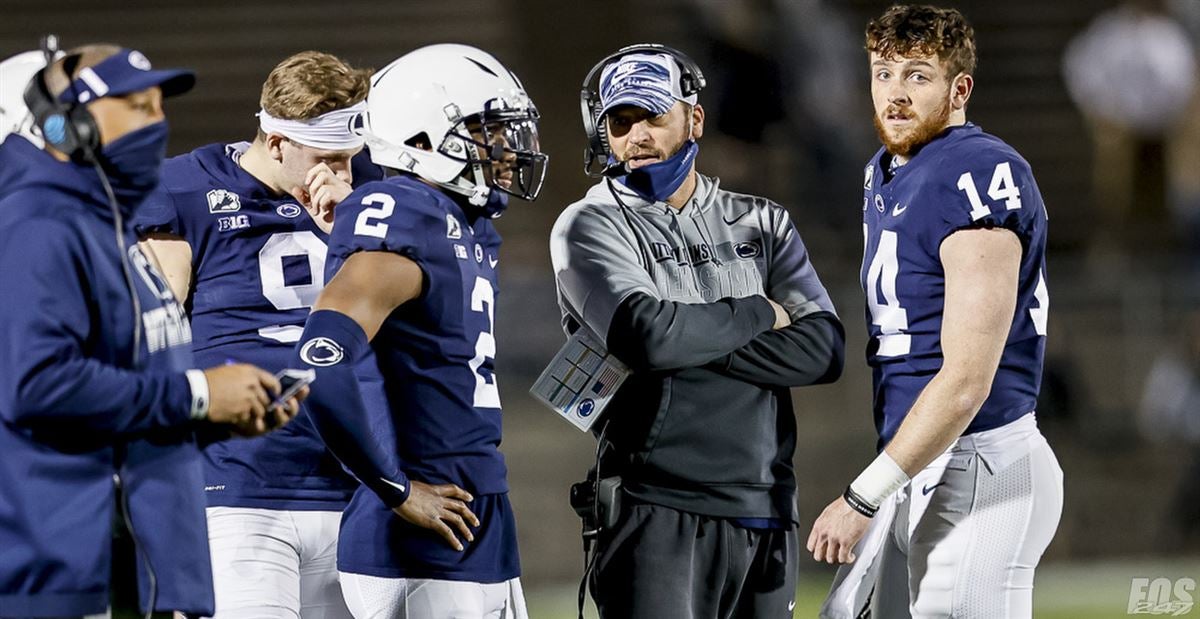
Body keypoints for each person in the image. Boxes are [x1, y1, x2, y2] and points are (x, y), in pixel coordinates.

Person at [0, 44, 301, 618]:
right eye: (135, 106)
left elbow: (110, 408)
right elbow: (37, 386)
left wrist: (211, 419)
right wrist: (200, 394)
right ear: (62, 126)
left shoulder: (100, 226)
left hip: (129, 563)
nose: (158, 122)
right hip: (63, 571)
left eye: (158, 104)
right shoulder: (35, 225)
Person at [550, 44, 844, 619]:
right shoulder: (587, 223)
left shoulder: (763, 219)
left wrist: (684, 334)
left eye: (653, 117)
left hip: (765, 502)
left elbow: (823, 350)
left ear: (694, 118)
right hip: (650, 506)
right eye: (621, 121)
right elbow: (647, 338)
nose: (637, 136)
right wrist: (759, 311)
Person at [807, 6, 1064, 618]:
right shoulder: (886, 172)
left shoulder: (978, 168)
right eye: (883, 73)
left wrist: (862, 496)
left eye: (917, 76)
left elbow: (966, 380)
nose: (894, 94)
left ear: (959, 88)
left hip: (980, 465)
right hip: (918, 464)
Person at [289, 44, 546, 618]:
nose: (506, 151)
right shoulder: (404, 211)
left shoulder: (457, 222)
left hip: (473, 512)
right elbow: (322, 357)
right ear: (423, 141)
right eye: (487, 131)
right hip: (417, 534)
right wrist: (395, 488)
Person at [135, 50, 380, 619]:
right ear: (276, 143)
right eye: (327, 159)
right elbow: (153, 332)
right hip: (239, 488)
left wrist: (353, 232)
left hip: (360, 484)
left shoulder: (367, 196)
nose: (343, 175)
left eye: (352, 158)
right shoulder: (184, 189)